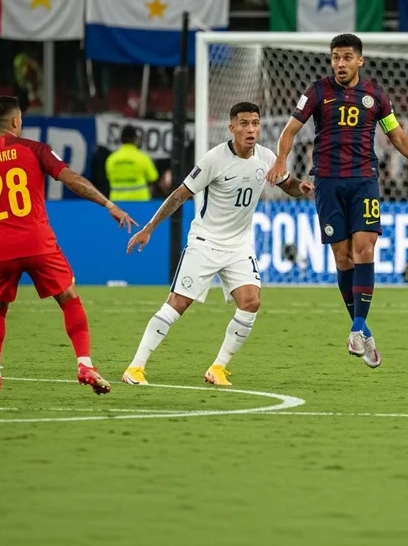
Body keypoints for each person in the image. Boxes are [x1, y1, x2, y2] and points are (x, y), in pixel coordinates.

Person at [267, 34, 408, 368]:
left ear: (360, 60)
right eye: (336, 57)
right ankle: (364, 331)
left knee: (364, 249)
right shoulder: (316, 91)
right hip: (327, 182)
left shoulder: (376, 95)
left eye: (347, 57)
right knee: (342, 259)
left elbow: (397, 136)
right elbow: (289, 131)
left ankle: (355, 328)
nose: (340, 63)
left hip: (364, 180)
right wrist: (281, 161)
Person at [0, 96, 137, 399]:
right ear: (15, 121)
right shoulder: (34, 149)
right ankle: (85, 364)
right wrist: (108, 204)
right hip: (38, 242)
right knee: (69, 298)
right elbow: (72, 180)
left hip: (0, 248)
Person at [122, 102, 314, 387]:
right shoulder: (214, 159)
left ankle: (218, 368)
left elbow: (288, 185)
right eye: (244, 124)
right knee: (178, 304)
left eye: (255, 123)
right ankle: (135, 368)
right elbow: (179, 194)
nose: (251, 129)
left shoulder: (266, 157)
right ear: (232, 127)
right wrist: (149, 228)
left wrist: (302, 187)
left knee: (251, 301)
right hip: (205, 242)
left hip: (238, 247)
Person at [105, 125, 159, 202]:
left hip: (117, 201)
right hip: (140, 201)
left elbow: (109, 177)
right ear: (135, 139)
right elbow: (153, 177)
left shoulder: (111, 159)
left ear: (121, 139)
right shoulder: (143, 157)